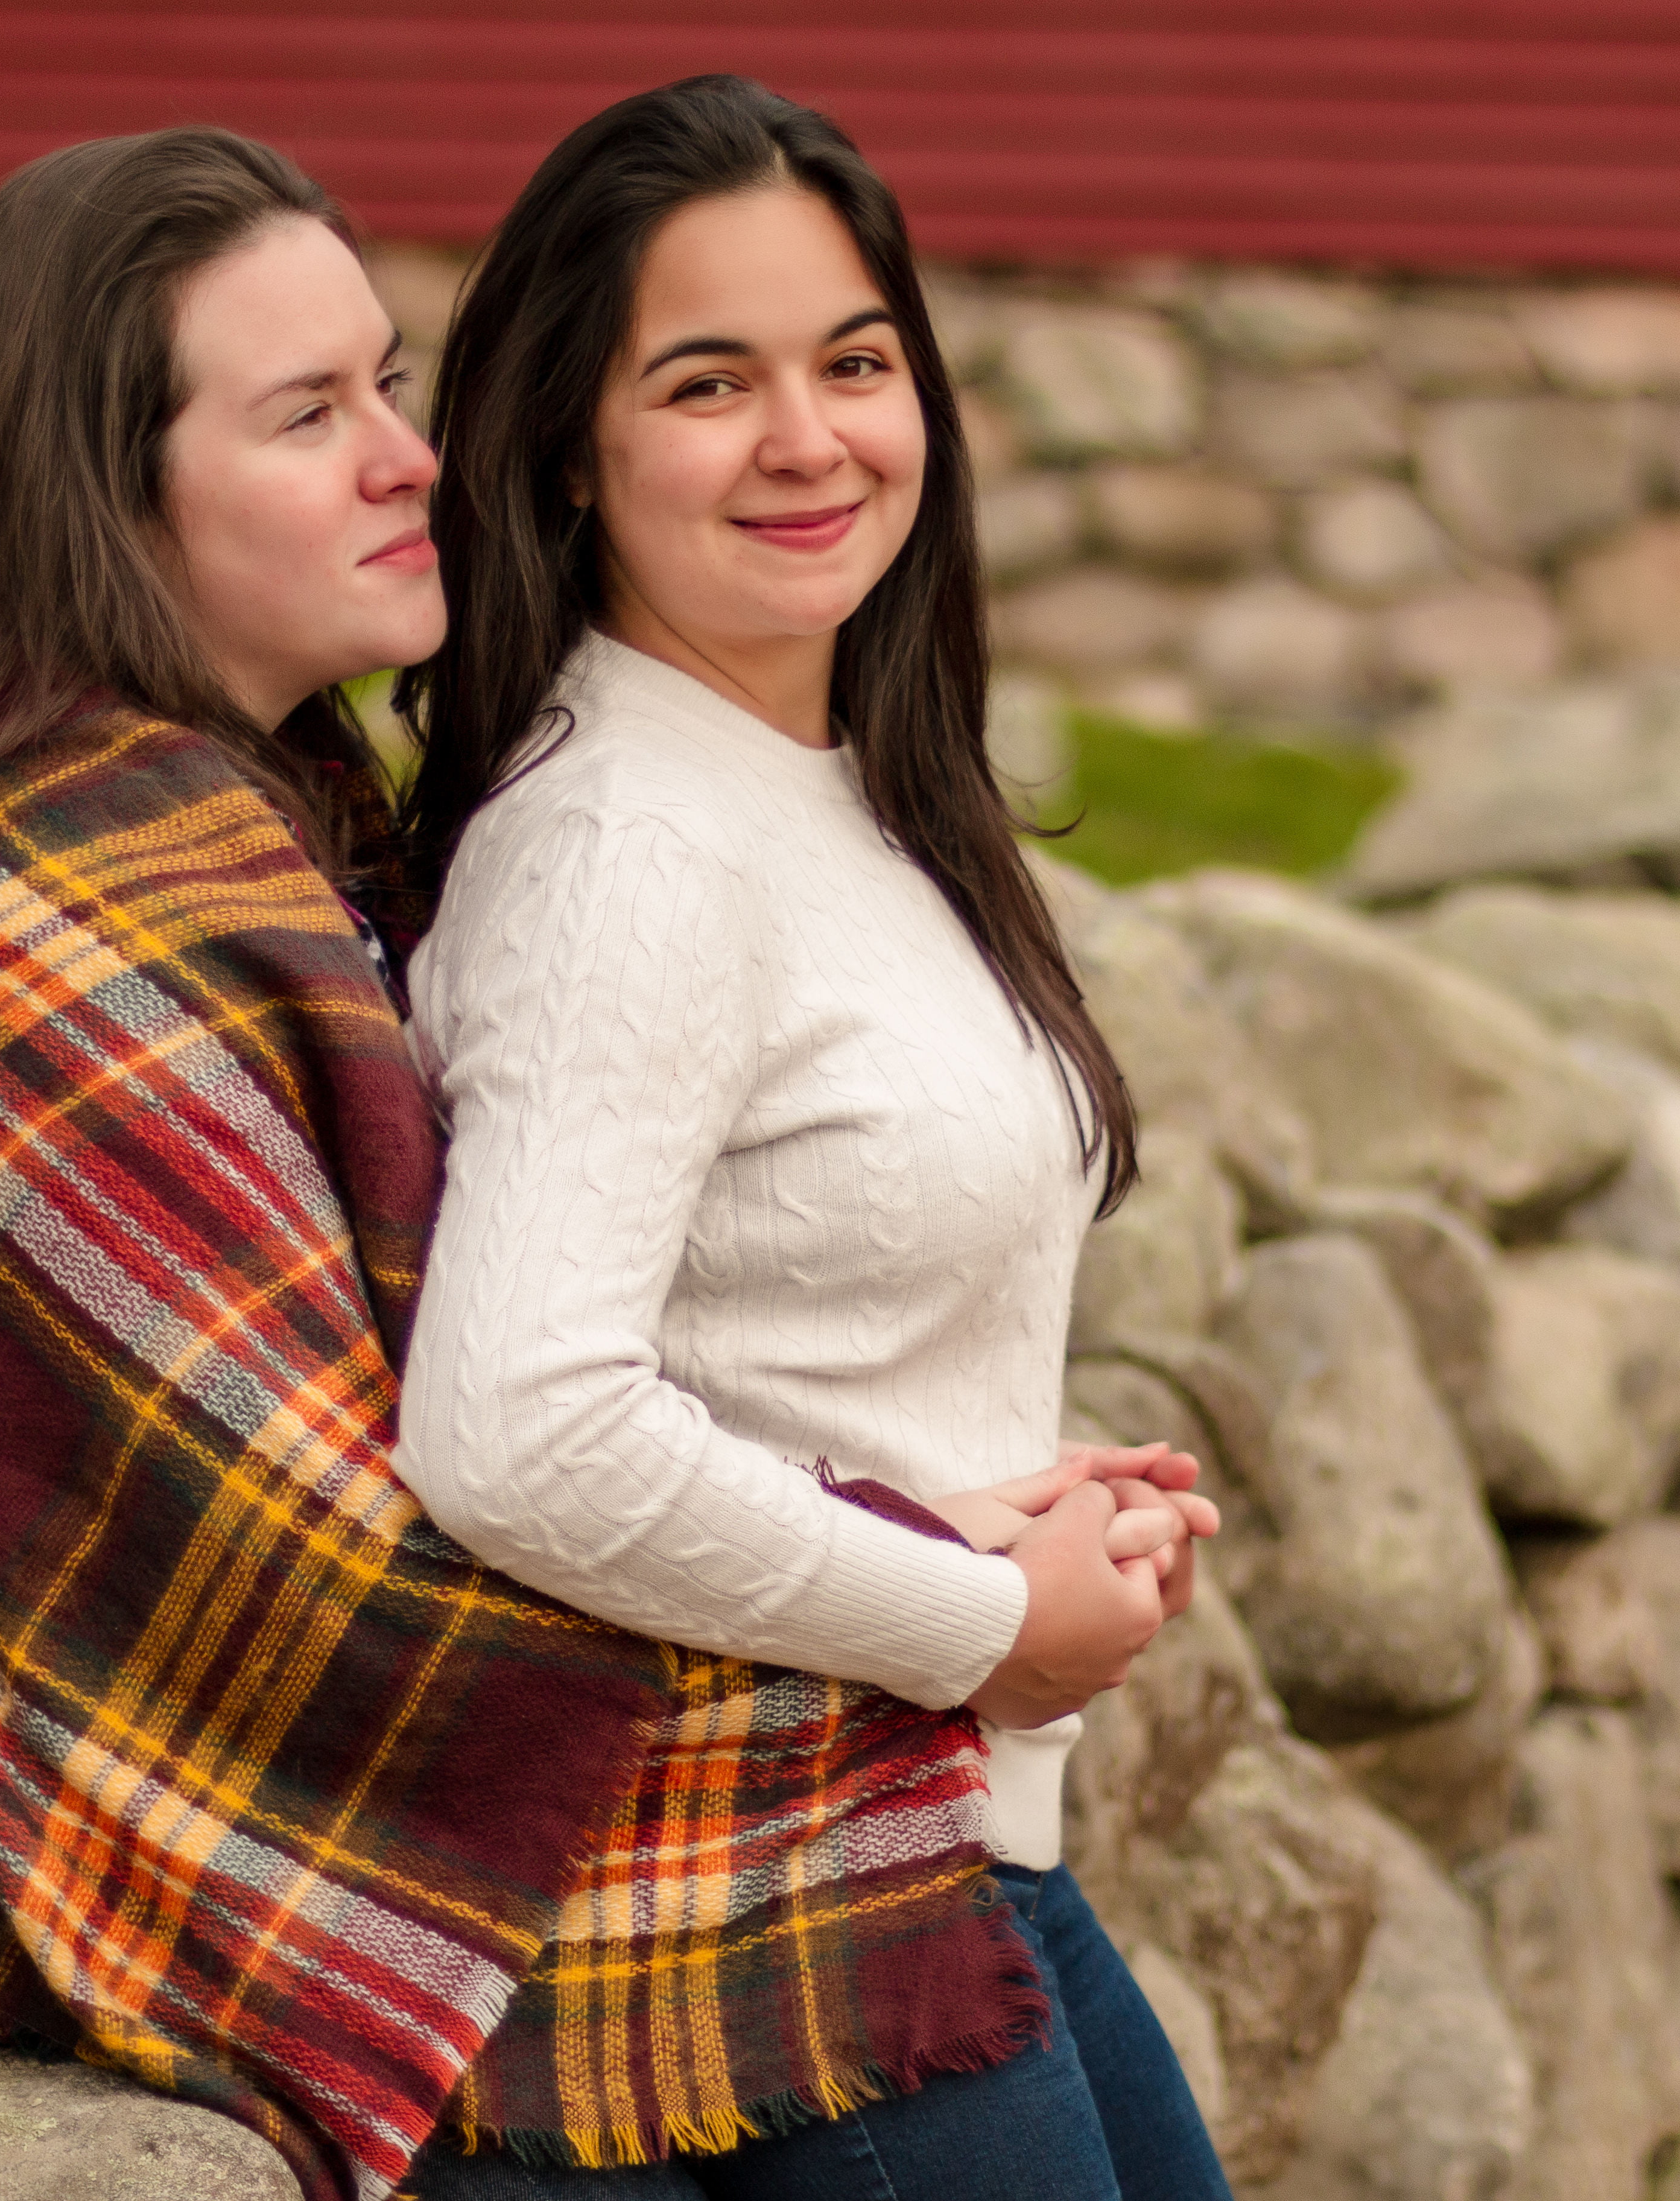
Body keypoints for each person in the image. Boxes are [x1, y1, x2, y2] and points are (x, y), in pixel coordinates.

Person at [0, 124, 1177, 2201]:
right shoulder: (71, 912)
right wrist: (960, 1599)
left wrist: (944, 1535)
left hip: (816, 1843)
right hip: (597, 1911)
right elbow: (371, 1516)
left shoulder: (285, 827)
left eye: (391, 385)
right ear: (104, 488)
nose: (403, 461)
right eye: (307, 413)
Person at [391, 74, 1234, 2201]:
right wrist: (980, 1608)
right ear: (568, 448)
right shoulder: (629, 846)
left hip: (922, 1842)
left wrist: (1005, 1505)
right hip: (750, 1902)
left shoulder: (842, 787)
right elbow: (518, 1432)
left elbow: (758, 1344)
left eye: (855, 363)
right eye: (709, 383)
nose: (809, 438)